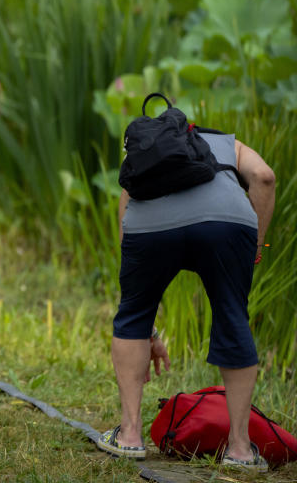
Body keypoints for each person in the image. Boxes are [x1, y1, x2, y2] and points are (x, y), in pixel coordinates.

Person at [98, 129, 276, 472]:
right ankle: (240, 449)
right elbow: (265, 178)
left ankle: (130, 436)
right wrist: (255, 245)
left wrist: (146, 326)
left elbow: (126, 205)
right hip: (226, 223)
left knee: (133, 313)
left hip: (149, 227)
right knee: (233, 315)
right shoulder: (228, 144)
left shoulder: (146, 150)